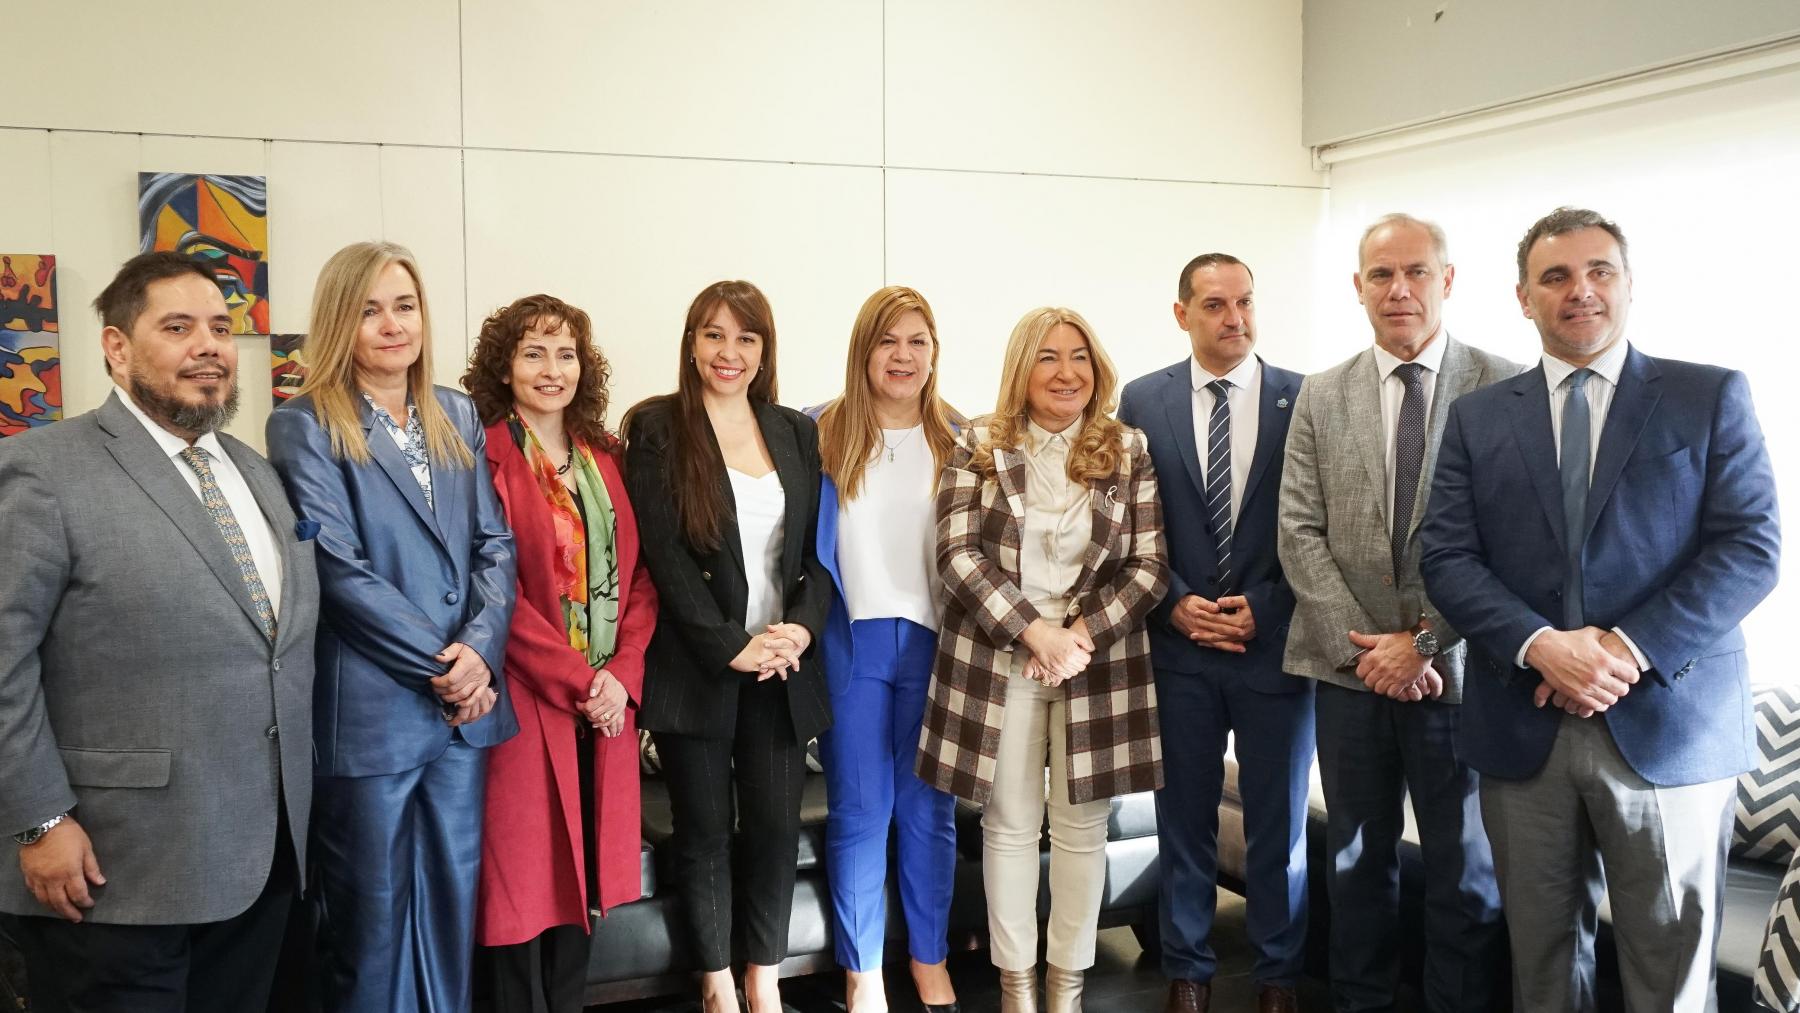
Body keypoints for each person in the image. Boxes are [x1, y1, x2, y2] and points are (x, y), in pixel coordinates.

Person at [1421, 207, 1780, 1012]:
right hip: (1523, 726)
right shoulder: (1479, 416)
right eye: (1555, 276)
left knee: (1670, 976)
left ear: (1628, 283)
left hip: (1669, 726)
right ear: (1523, 298)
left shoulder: (1707, 395)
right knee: (1542, 970)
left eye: (1598, 271)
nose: (1579, 290)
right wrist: (1541, 645)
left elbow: (1750, 548)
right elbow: (1445, 557)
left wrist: (1621, 649)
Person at [0, 251, 318, 1012]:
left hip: (259, 863)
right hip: (112, 872)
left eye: (220, 328)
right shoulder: (42, 469)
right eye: (177, 328)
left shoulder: (257, 471)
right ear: (117, 347)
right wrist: (38, 819)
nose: (208, 346)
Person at [265, 241, 518, 1013]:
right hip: (373, 718)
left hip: (461, 718)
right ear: (339, 322)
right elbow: (338, 570)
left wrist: (480, 652)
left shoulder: (457, 412)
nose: (391, 324)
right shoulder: (304, 424)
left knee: (449, 911)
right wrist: (447, 667)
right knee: (369, 929)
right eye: (369, 310)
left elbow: (494, 543)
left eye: (404, 306)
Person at [1277, 213, 1517, 1012]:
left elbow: (1509, 542)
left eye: (1416, 271)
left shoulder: (1504, 385)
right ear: (1359, 287)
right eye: (1381, 274)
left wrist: (1422, 643)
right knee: (1355, 868)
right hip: (1350, 676)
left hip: (1462, 677)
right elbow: (1299, 531)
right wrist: (1366, 652)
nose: (1399, 289)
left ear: (1447, 280)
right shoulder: (1321, 393)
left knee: (1465, 875)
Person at [917, 306, 1169, 1013]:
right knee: (1010, 825)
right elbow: (955, 554)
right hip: (1002, 659)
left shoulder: (1127, 447)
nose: (1066, 372)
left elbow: (1151, 565)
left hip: (1099, 662)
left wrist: (1077, 636)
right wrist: (1036, 633)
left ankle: (1067, 986)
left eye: (1079, 356)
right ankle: (1017, 986)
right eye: (1049, 357)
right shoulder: (978, 443)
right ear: (1022, 368)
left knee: (1084, 830)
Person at [623, 280, 830, 1013]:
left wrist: (800, 627)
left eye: (746, 337)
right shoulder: (656, 427)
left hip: (780, 665)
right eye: (713, 334)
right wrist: (728, 646)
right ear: (691, 344)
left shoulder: (795, 431)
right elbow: (664, 556)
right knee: (705, 832)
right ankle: (716, 985)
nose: (728, 351)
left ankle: (762, 981)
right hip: (699, 667)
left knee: (774, 828)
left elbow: (814, 557)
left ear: (764, 350)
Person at [1118, 254, 1309, 1013]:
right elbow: (1128, 523)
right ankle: (1188, 971)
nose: (1235, 318)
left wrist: (1270, 604)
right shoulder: (1143, 399)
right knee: (1185, 821)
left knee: (1278, 827)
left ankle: (1278, 977)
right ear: (1182, 314)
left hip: (1276, 650)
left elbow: (1318, 528)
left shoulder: (1306, 397)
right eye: (1216, 305)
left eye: (1246, 302)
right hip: (1180, 652)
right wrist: (1171, 602)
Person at [463, 294, 660, 1012]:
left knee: (586, 888)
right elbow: (496, 593)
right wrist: (581, 680)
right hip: (527, 700)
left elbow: (642, 578)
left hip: (605, 706)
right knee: (522, 887)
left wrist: (621, 677)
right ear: (504, 367)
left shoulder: (607, 458)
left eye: (566, 354)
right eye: (534, 353)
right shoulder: (482, 455)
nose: (552, 369)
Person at [811, 286, 962, 1013]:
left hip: (939, 644)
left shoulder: (963, 439)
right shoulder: (819, 431)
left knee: (930, 810)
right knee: (860, 810)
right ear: (863, 350)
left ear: (934, 353)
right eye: (887, 341)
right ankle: (863, 970)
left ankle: (930, 959)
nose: (903, 356)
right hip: (852, 641)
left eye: (917, 341)